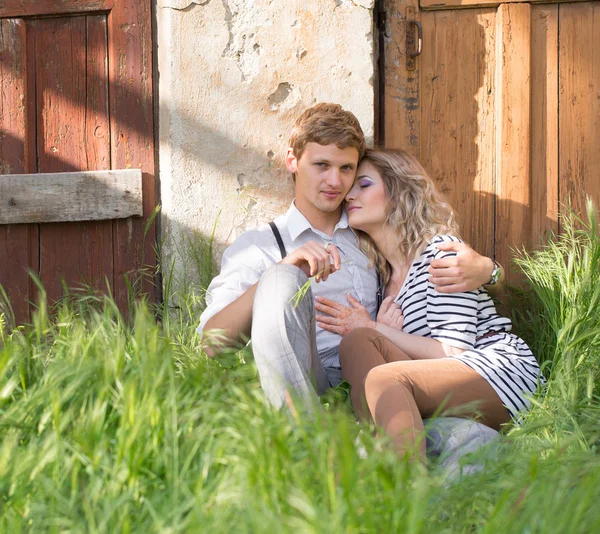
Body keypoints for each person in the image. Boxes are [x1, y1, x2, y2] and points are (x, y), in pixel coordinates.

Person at [198, 103, 500, 412]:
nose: (335, 182)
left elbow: (427, 258)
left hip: (378, 381)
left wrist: (490, 270)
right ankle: (302, 439)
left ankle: (372, 446)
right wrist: (284, 269)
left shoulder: (370, 228)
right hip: (311, 387)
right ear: (293, 160)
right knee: (280, 279)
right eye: (321, 166)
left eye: (346, 169)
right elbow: (211, 344)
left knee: (467, 441)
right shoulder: (260, 246)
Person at [314, 149, 544, 460]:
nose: (348, 195)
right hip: (440, 384)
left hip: (497, 375)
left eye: (363, 184)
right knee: (356, 342)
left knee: (379, 368)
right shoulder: (383, 281)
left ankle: (407, 485)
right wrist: (373, 333)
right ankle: (383, 453)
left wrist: (375, 327)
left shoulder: (441, 254)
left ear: (398, 194)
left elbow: (453, 352)